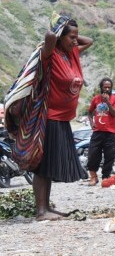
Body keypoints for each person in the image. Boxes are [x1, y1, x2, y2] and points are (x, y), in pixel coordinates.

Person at [5, 12, 93, 220]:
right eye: (71, 37)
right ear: (60, 36)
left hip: (62, 119)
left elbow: (88, 41)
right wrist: (60, 28)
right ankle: (41, 211)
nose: (75, 41)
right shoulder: (49, 55)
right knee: (42, 166)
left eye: (75, 37)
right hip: (49, 117)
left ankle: (47, 207)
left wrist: (71, 34)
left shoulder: (71, 53)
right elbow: (49, 37)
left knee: (49, 164)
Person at [87, 77, 115, 186]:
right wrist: (91, 122)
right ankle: (93, 176)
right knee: (92, 155)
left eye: (109, 87)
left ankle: (106, 177)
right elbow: (89, 112)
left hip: (110, 133)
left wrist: (107, 102)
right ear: (101, 88)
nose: (107, 89)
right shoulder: (96, 99)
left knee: (109, 156)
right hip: (97, 132)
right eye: (105, 87)